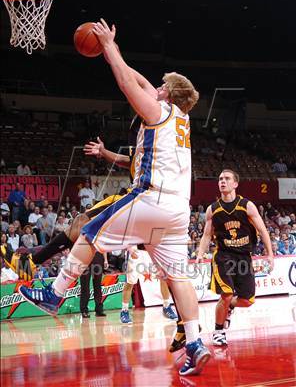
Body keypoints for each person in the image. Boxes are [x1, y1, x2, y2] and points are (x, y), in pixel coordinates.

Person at [19, 19, 209, 376]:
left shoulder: (158, 111)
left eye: (160, 86)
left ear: (166, 93)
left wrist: (108, 50)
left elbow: (127, 83)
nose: (155, 87)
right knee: (177, 277)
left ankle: (55, 294)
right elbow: (135, 77)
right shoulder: (182, 119)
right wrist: (113, 50)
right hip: (177, 212)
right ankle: (197, 343)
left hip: (151, 198)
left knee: (89, 230)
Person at [197, 169, 274, 346]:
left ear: (235, 184)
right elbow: (207, 235)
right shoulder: (212, 209)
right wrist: (200, 253)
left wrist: (269, 254)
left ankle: (230, 306)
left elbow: (262, 231)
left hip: (244, 257)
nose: (222, 181)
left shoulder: (247, 206)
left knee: (247, 301)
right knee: (226, 293)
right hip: (223, 255)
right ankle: (218, 331)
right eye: (220, 179)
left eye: (226, 178)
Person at [120, 246, 177, 323]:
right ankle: (124, 310)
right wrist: (129, 248)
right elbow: (125, 234)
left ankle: (166, 306)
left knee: (163, 278)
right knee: (130, 282)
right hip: (135, 249)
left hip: (152, 249)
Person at [80, 251, 109, 318]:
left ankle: (99, 310)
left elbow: (103, 245)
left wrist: (105, 259)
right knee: (85, 285)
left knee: (98, 285)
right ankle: (84, 310)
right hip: (85, 258)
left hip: (98, 257)